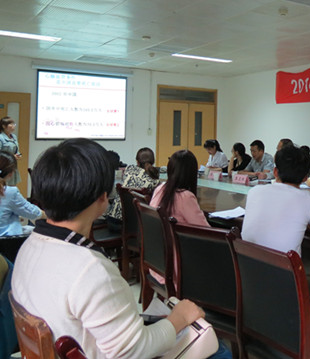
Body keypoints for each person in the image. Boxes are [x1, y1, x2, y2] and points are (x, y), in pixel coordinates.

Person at [11, 138, 205, 359]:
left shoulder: (28, 247)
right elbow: (135, 350)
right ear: (103, 197)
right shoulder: (91, 270)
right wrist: (180, 318)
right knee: (216, 348)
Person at [242, 146, 310, 254]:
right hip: (284, 264)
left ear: (275, 172)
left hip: (245, 261)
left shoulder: (254, 191)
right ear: (305, 178)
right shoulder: (309, 199)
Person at [150, 149, 210, 285]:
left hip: (157, 261)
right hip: (177, 268)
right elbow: (206, 232)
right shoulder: (185, 196)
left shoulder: (160, 188)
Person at [105, 148, 160, 230]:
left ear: (137, 161)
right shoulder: (155, 181)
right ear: (153, 161)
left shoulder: (129, 169)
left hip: (112, 221)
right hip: (131, 226)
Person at [0, 116, 22, 186]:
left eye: (14, 124)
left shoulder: (14, 137)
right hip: (3, 168)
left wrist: (18, 155)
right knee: (3, 187)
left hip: (12, 166)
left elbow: (16, 150)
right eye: (11, 124)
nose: (13, 126)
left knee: (12, 187)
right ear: (4, 126)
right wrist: (10, 157)